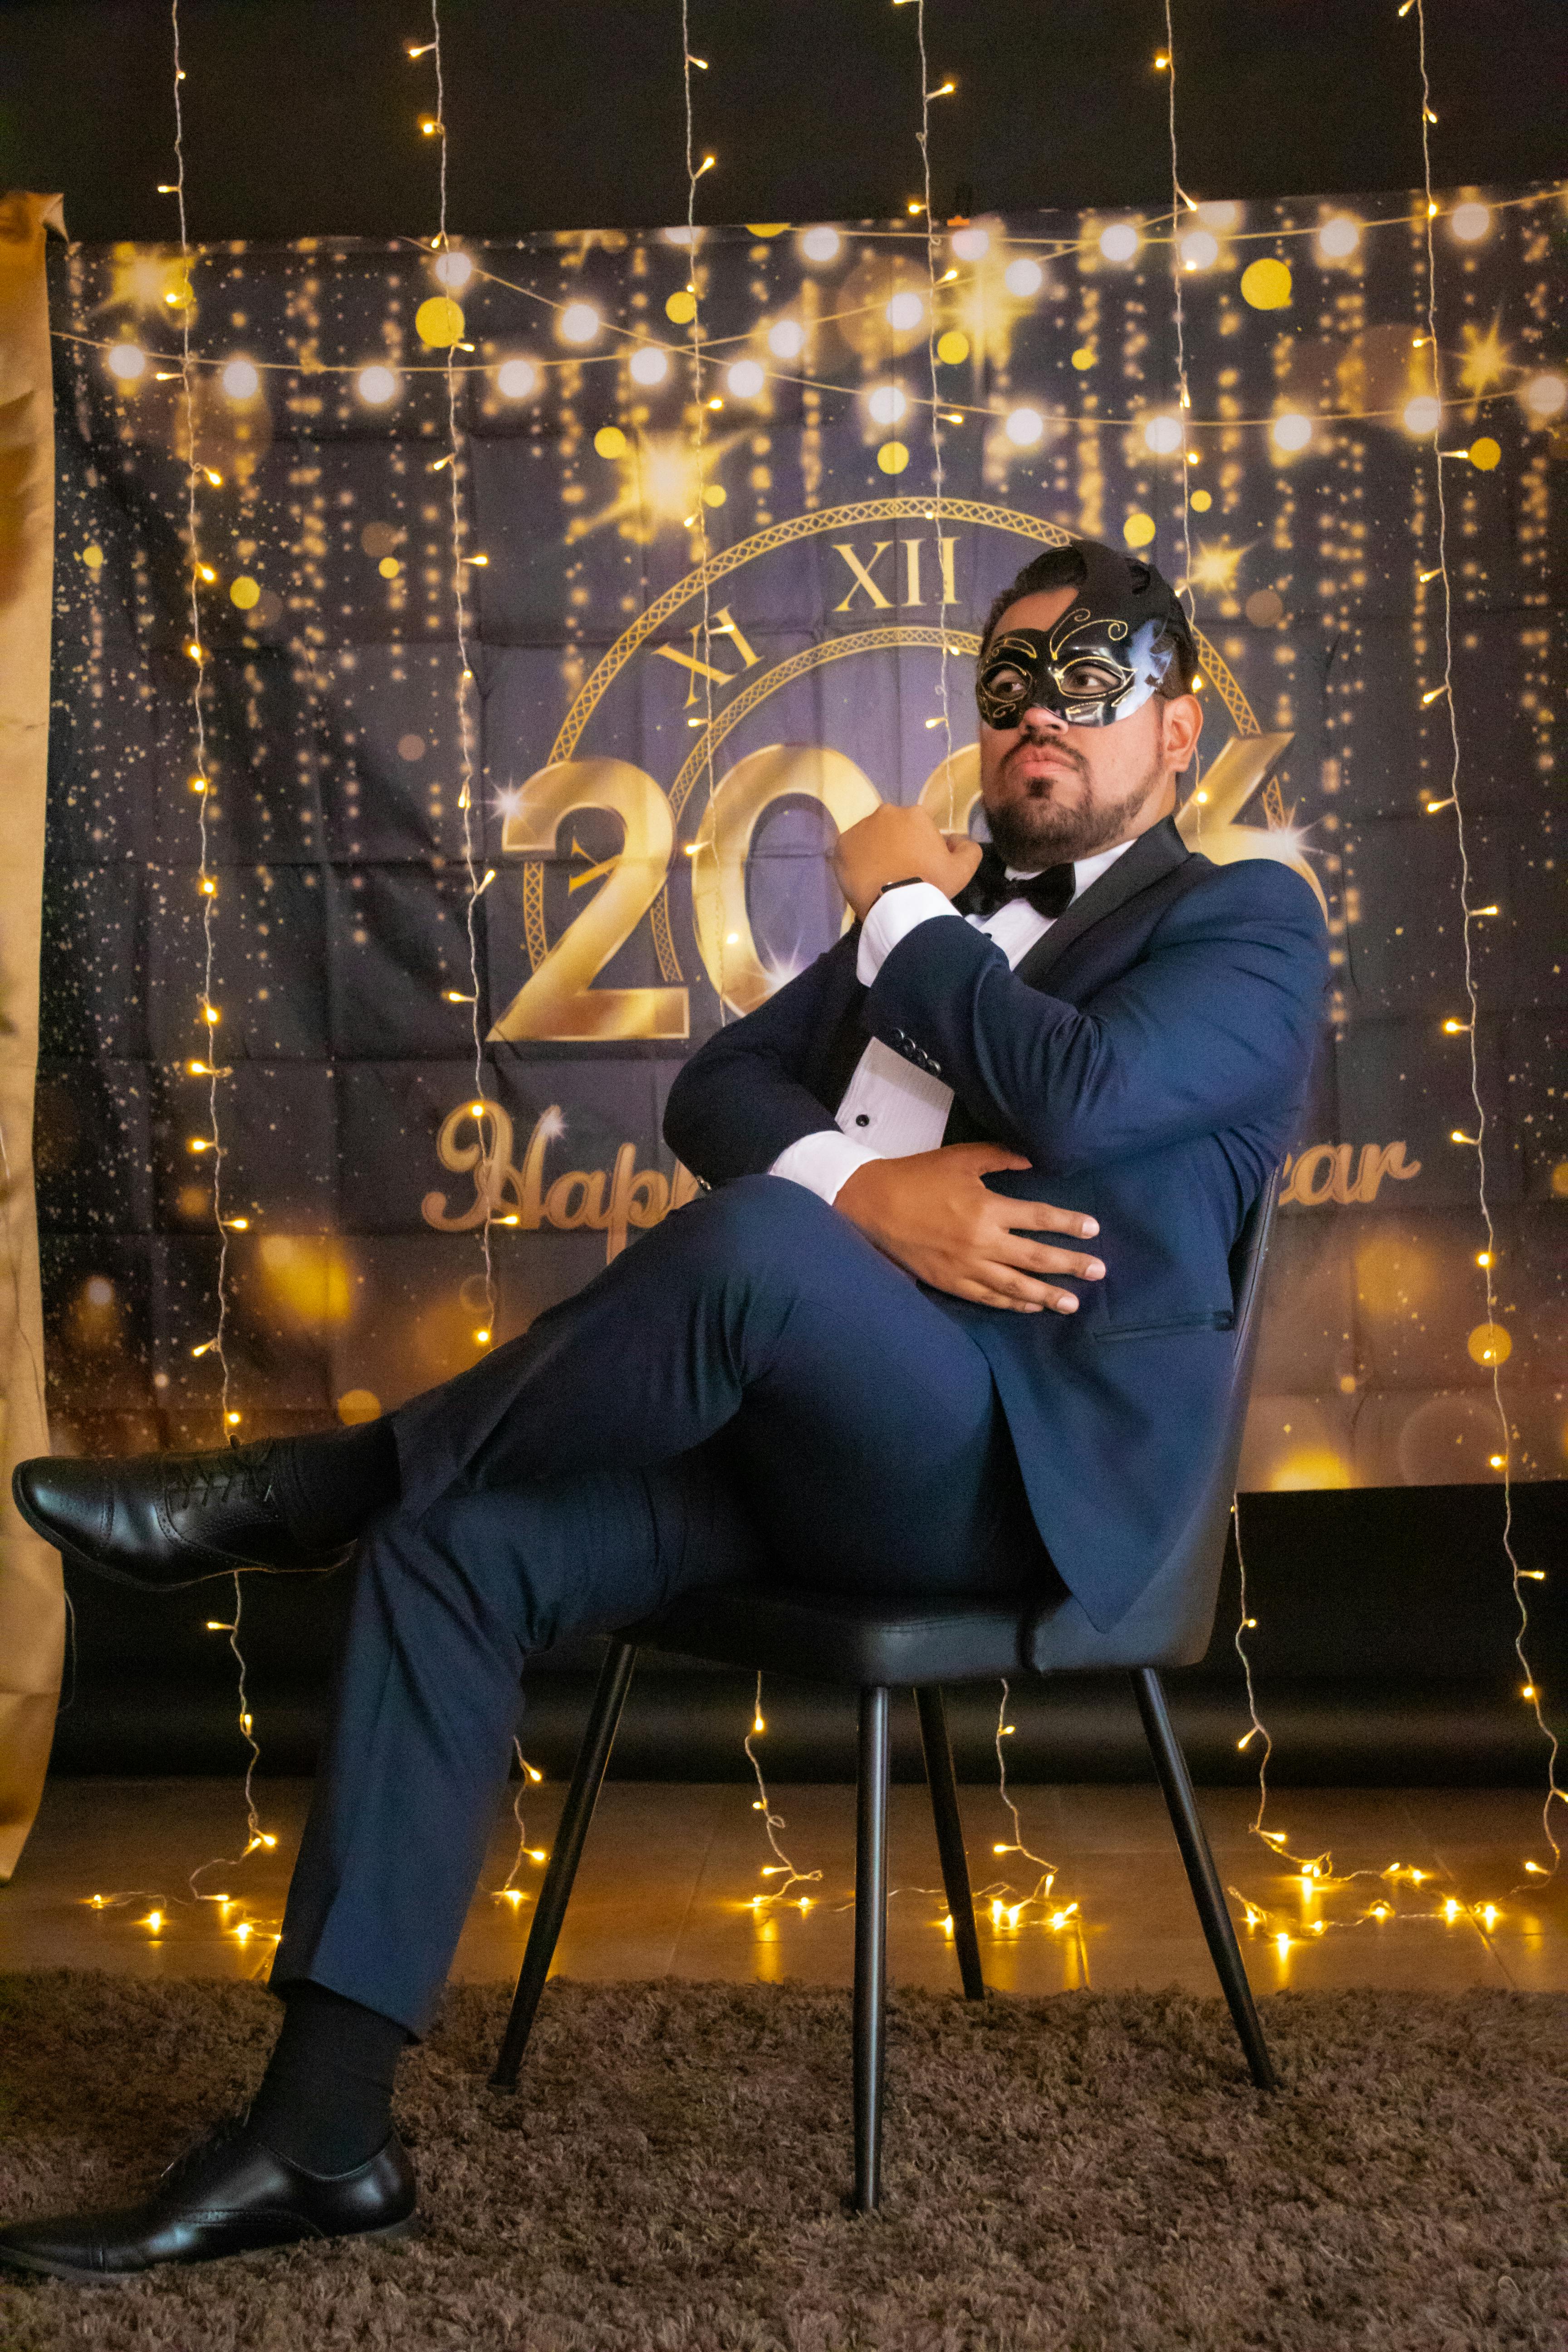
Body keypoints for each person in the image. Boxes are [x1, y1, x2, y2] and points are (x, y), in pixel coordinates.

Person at [0, 539, 1326, 2283]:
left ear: (1178, 724)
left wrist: (901, 913)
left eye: (1089, 685)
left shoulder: (1243, 919)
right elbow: (716, 1086)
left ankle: (319, 1482)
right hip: (794, 1451)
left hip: (1012, 1486)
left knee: (759, 1245)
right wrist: (868, 1196)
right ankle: (318, 2142)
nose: (1038, 721)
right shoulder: (936, 932)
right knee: (456, 1549)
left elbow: (1083, 1094)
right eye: (1009, 684)